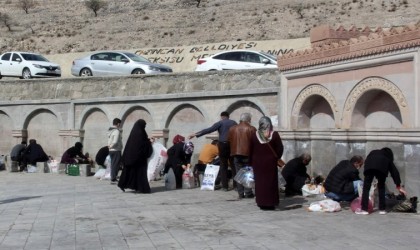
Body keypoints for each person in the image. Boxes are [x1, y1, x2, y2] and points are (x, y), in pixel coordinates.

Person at [189, 111, 237, 191]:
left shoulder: (220, 123)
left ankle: (225, 187)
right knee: (233, 165)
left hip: (222, 144)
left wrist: (195, 134)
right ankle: (236, 186)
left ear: (221, 117)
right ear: (228, 116)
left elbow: (209, 130)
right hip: (232, 145)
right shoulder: (234, 123)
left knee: (223, 165)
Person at [356, 147, 407, 215]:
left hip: (369, 167)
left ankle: (364, 209)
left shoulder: (373, 152)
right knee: (381, 187)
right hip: (381, 169)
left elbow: (367, 161)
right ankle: (382, 209)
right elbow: (394, 172)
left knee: (366, 188)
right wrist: (398, 186)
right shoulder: (386, 157)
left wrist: (366, 172)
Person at [249, 116, 284, 210]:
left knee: (260, 183)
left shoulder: (254, 135)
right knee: (270, 182)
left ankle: (261, 202)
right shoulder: (274, 134)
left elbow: (250, 150)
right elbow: (280, 148)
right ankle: (271, 203)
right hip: (270, 162)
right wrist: (276, 157)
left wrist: (250, 162)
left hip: (257, 163)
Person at [118, 119, 153, 193]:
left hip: (131, 157)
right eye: (144, 125)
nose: (145, 127)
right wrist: (149, 142)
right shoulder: (140, 133)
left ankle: (123, 184)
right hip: (139, 158)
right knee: (140, 173)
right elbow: (142, 145)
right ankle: (142, 188)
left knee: (129, 172)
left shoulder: (134, 132)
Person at [228, 112, 256, 199]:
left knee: (238, 173)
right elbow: (255, 142)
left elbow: (228, 140)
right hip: (247, 154)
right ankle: (248, 192)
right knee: (248, 173)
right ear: (248, 120)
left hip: (236, 153)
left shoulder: (232, 129)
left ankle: (240, 193)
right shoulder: (251, 129)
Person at [108, 118, 123, 184]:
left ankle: (113, 177)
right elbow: (115, 141)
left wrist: (109, 147)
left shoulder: (110, 130)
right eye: (120, 124)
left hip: (111, 150)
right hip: (116, 150)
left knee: (113, 164)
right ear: (118, 123)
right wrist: (111, 146)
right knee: (115, 164)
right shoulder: (116, 131)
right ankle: (113, 178)